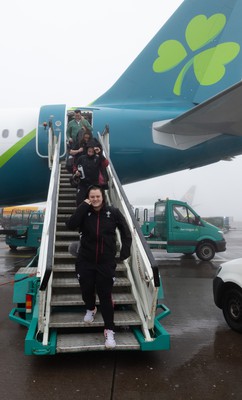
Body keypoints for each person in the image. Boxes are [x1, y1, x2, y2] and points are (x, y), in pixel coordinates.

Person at [65, 185, 132, 349]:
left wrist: (125, 249)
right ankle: (91, 308)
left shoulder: (113, 212)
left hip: (105, 262)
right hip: (85, 260)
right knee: (86, 289)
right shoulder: (84, 212)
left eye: (98, 196)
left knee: (105, 295)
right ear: (88, 197)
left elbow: (125, 230)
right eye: (92, 197)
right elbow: (70, 224)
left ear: (103, 197)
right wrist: (83, 205)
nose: (95, 199)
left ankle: (109, 330)